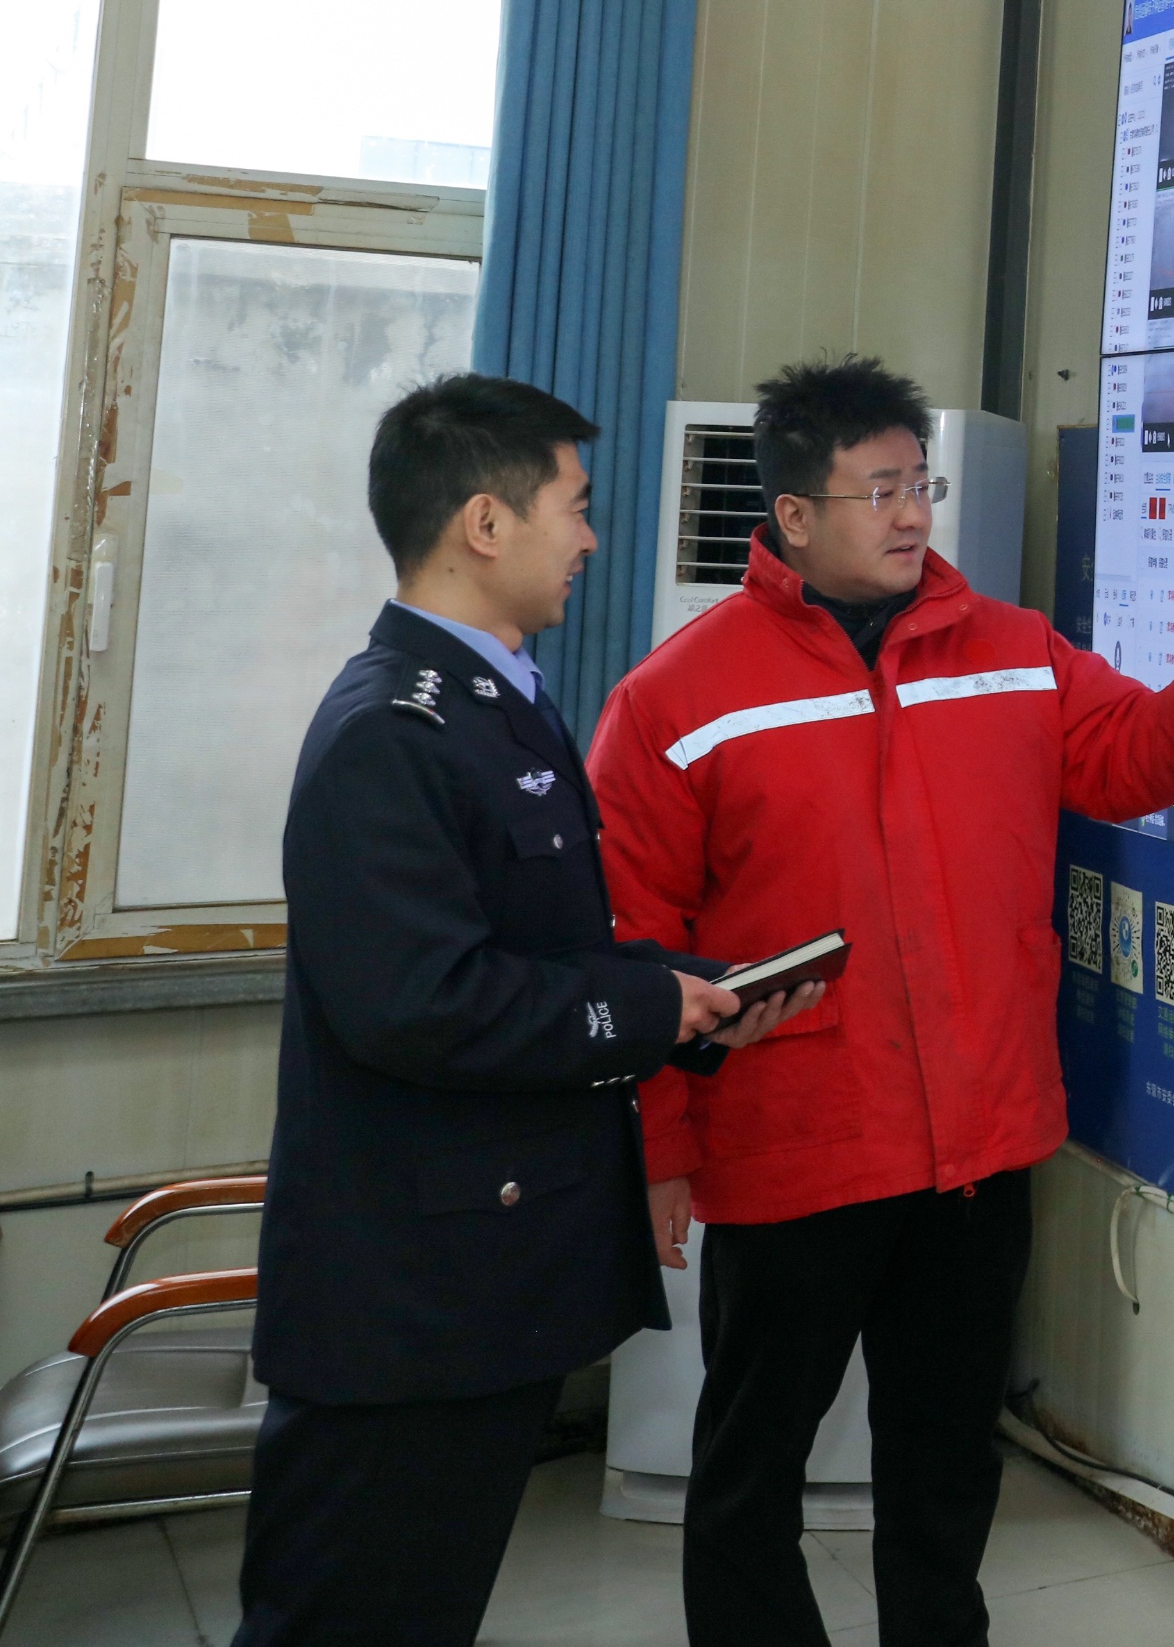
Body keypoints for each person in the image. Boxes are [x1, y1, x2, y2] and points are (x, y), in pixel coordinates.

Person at [588, 355, 1174, 1647]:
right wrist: (657, 1144)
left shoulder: (1007, 648)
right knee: (752, 1463)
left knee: (944, 1464)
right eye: (877, 489)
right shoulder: (678, 697)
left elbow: (1123, 750)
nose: (910, 513)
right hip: (795, 1145)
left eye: (918, 484)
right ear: (792, 514)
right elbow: (628, 945)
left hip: (977, 1147)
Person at [237, 376, 819, 1647]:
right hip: (413, 1298)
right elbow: (423, 1002)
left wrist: (689, 998)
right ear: (486, 522)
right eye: (576, 504)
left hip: (484, 1278)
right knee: (353, 1617)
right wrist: (648, 1006)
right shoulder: (394, 728)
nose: (592, 536)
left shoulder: (493, 697)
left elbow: (540, 947)